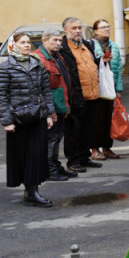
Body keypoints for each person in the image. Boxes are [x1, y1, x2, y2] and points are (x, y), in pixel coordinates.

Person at [0, 32, 56, 207]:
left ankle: (32, 191)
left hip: (37, 116)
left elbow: (45, 91)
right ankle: (30, 191)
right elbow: (0, 96)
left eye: (28, 42)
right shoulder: (5, 67)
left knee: (36, 155)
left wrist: (49, 114)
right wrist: (7, 121)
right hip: (18, 118)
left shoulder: (36, 64)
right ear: (14, 45)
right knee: (22, 156)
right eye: (22, 42)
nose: (27, 45)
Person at [61, 17, 101, 173]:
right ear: (65, 30)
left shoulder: (86, 45)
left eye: (79, 27)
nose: (78, 31)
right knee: (73, 131)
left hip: (92, 95)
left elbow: (92, 66)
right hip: (75, 96)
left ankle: (84, 157)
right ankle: (73, 161)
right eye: (74, 28)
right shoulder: (63, 48)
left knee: (87, 129)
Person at [33, 30, 73, 181]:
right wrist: (49, 112)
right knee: (50, 140)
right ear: (44, 40)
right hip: (50, 109)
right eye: (54, 40)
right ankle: (49, 170)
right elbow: (40, 89)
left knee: (56, 138)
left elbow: (63, 83)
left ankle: (55, 166)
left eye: (60, 40)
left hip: (60, 105)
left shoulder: (57, 57)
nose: (58, 43)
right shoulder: (39, 58)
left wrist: (66, 106)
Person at [90, 18, 124, 161]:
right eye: (103, 27)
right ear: (95, 31)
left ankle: (106, 147)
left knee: (108, 119)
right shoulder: (91, 45)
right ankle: (94, 148)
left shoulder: (114, 46)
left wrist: (118, 89)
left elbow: (118, 68)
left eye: (107, 26)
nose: (107, 29)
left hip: (110, 87)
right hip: (97, 87)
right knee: (96, 119)